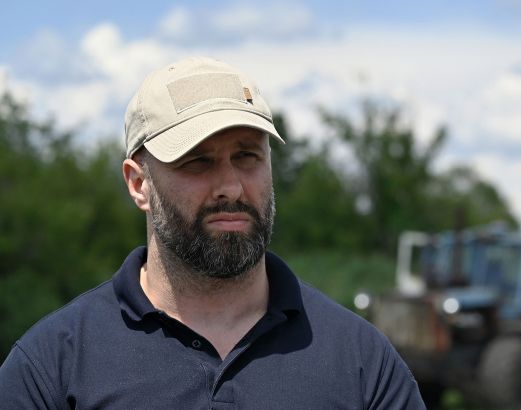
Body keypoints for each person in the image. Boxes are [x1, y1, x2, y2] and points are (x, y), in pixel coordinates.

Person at [0, 57, 426, 409]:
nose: (232, 187)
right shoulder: (53, 367)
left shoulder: (361, 363)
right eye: (197, 162)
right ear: (138, 183)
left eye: (247, 156)